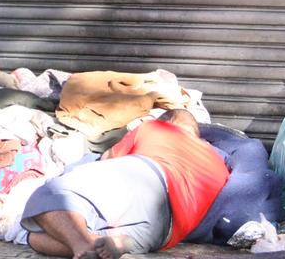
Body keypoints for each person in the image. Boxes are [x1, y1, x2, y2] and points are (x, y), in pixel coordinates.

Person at [19, 108, 229, 259]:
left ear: (169, 121)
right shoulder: (219, 165)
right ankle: (115, 243)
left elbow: (108, 159)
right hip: (167, 232)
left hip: (149, 175)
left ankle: (83, 243)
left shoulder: (158, 128)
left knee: (49, 196)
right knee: (37, 238)